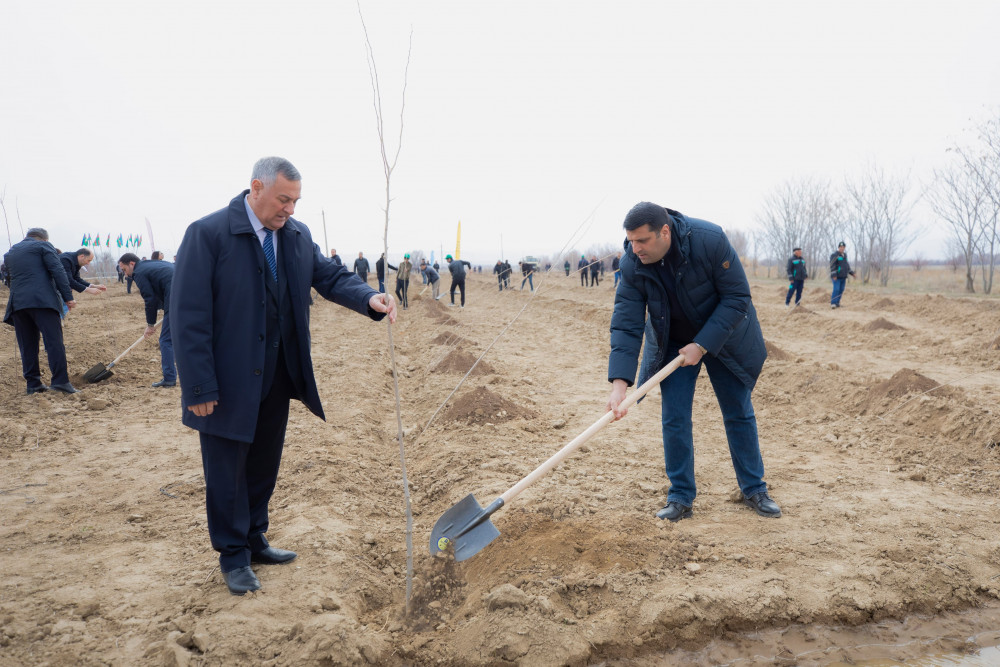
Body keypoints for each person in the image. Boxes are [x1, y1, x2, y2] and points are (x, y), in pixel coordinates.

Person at [170, 157, 397, 596]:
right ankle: (233, 556)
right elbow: (188, 316)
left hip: (276, 375)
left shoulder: (296, 235)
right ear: (256, 187)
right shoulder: (209, 234)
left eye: (295, 201)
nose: (289, 209)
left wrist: (369, 298)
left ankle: (255, 539)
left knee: (262, 467)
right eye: (283, 199)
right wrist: (197, 385)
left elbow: (328, 276)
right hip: (227, 381)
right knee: (226, 472)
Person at [606, 202, 780, 523]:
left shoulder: (709, 240)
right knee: (674, 417)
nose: (635, 248)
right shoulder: (633, 263)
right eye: (630, 240)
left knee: (738, 412)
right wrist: (620, 385)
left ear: (665, 232)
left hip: (724, 335)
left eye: (642, 240)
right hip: (672, 339)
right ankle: (681, 496)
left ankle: (754, 488)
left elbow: (737, 297)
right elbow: (626, 323)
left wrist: (702, 344)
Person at [3, 228, 79, 394]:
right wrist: (68, 297)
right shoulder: (44, 246)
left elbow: (7, 276)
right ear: (44, 239)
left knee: (27, 345)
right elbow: (57, 270)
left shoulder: (11, 252)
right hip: (43, 301)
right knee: (53, 342)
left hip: (18, 304)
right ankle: (60, 382)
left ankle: (33, 384)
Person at [118, 253, 175, 387]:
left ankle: (169, 378)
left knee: (166, 340)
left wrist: (150, 324)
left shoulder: (139, 272)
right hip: (193, 294)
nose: (125, 275)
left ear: (131, 264)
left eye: (125, 270)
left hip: (177, 299)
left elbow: (150, 299)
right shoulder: (153, 265)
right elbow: (161, 285)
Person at [829, 241, 855, 309]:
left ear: (844, 248)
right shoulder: (834, 255)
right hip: (836, 276)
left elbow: (847, 266)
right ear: (838, 247)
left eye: (843, 247)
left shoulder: (844, 255)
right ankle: (833, 303)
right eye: (840, 247)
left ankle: (837, 303)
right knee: (836, 289)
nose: (842, 248)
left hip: (843, 276)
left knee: (841, 289)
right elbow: (832, 265)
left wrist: (852, 273)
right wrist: (834, 274)